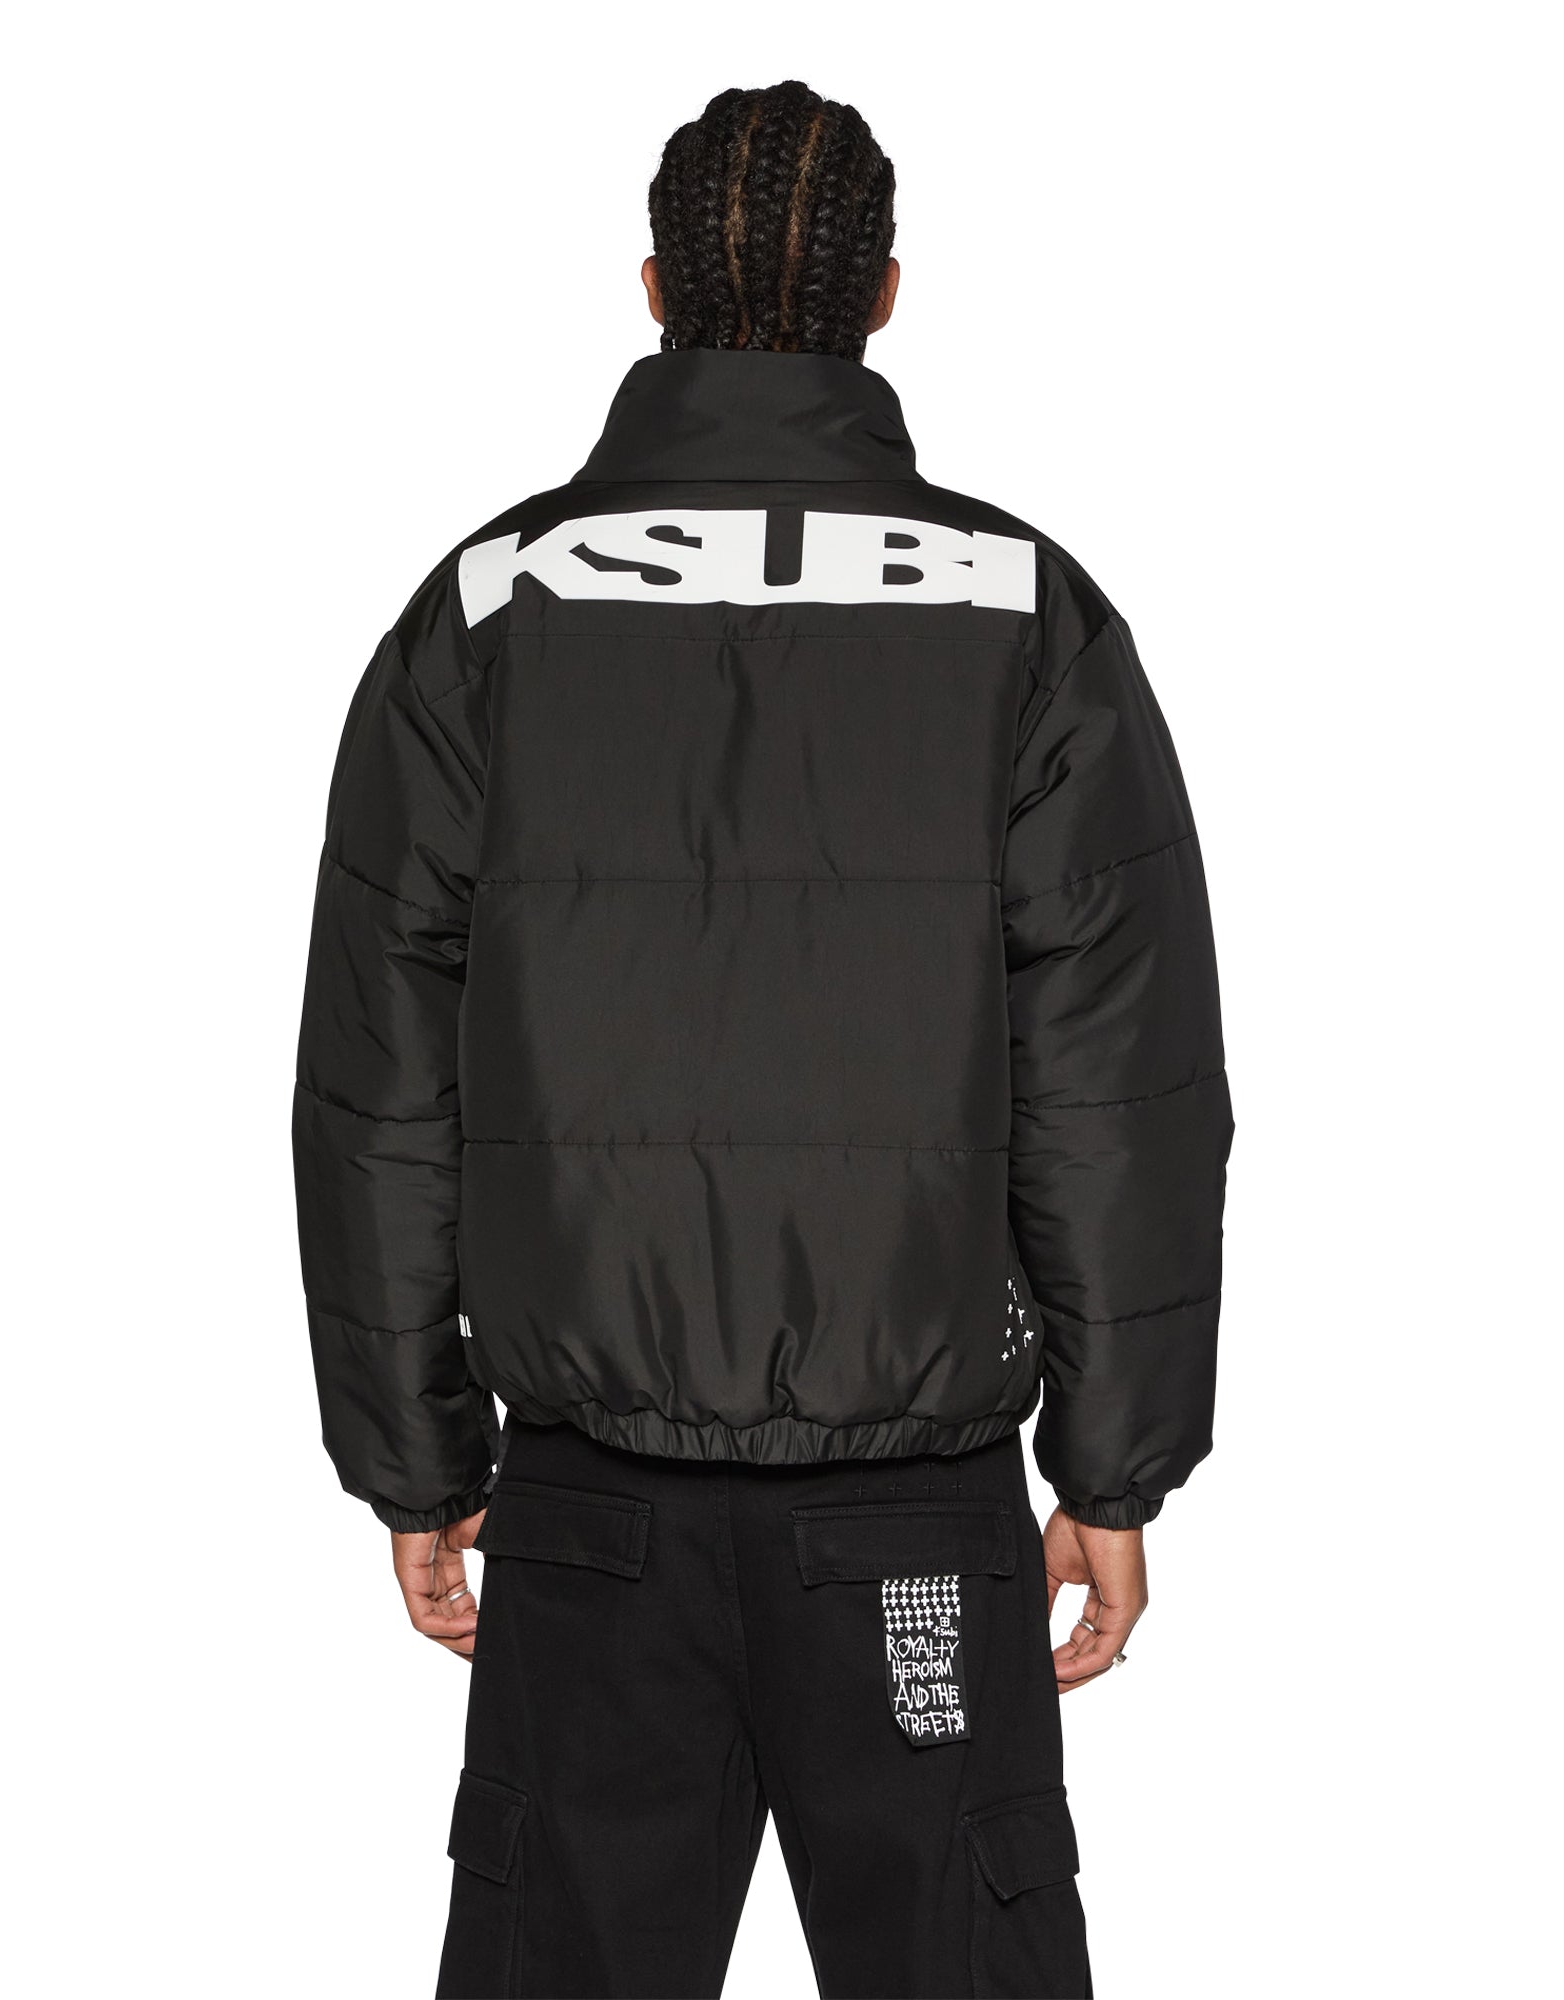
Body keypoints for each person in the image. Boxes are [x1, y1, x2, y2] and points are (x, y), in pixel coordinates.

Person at [293, 79, 1231, 2000]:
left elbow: (381, 1083)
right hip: (915, 1523)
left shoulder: (486, 613)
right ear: (884, 293)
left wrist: (418, 1460)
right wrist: (1114, 1471)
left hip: (588, 1517)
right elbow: (1122, 1087)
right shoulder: (1025, 615)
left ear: (653, 288)